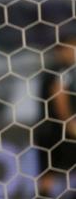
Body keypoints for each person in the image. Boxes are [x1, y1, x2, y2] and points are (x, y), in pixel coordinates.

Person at [36, 36, 76, 197]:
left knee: (48, 173)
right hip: (58, 130)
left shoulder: (50, 69)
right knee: (51, 173)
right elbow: (59, 94)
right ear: (62, 49)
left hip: (46, 128)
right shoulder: (61, 69)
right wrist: (69, 122)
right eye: (72, 47)